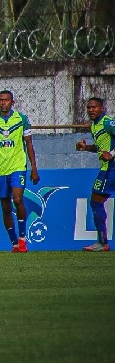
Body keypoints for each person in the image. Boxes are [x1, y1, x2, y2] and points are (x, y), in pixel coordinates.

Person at [0, 90, 40, 252]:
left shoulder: (21, 119)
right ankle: (14, 243)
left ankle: (22, 239)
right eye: (1, 100)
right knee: (5, 206)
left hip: (18, 166)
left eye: (6, 100)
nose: (3, 102)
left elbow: (29, 144)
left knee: (17, 200)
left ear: (12, 102)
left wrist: (34, 168)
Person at [75, 97, 115, 252]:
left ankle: (103, 243)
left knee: (96, 202)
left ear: (102, 108)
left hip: (111, 168)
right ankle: (102, 242)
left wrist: (112, 153)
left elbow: (108, 152)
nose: (91, 110)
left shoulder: (107, 123)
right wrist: (86, 148)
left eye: (94, 107)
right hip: (107, 168)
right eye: (89, 107)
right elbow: (100, 148)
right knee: (96, 202)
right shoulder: (94, 125)